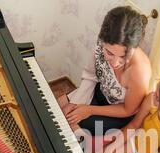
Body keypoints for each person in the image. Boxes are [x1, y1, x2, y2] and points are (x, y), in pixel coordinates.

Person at [58, 6, 152, 136]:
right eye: (109, 53)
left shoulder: (139, 72)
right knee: (59, 107)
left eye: (123, 57)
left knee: (70, 124)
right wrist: (76, 102)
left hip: (119, 112)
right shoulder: (101, 43)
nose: (115, 63)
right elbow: (91, 75)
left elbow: (128, 110)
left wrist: (89, 110)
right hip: (100, 92)